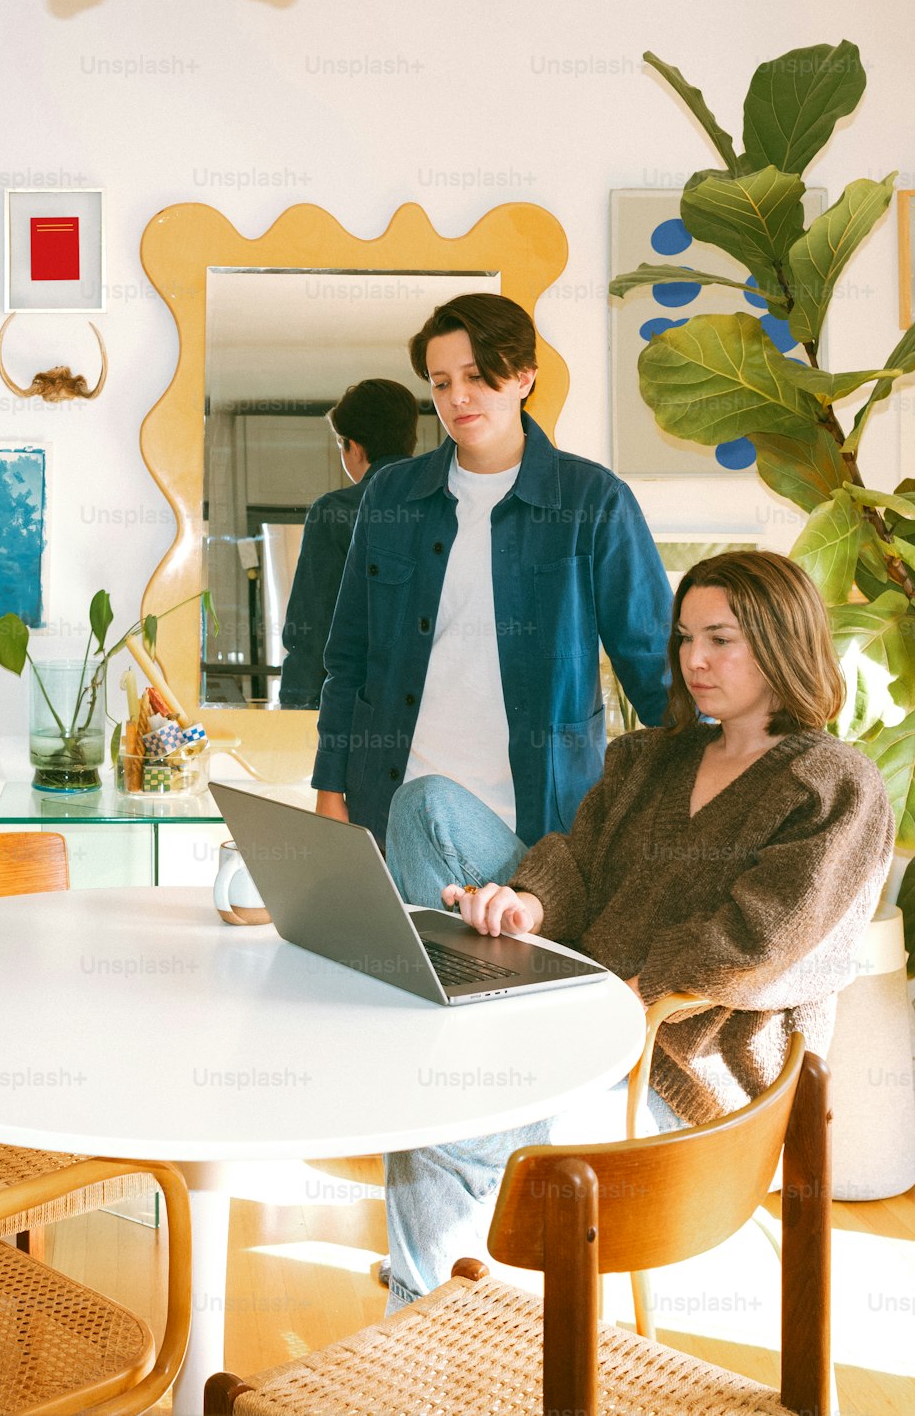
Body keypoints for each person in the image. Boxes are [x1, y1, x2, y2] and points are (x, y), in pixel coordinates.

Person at [381, 550, 894, 1311]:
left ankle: (421, 1329)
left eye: (720, 639)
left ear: (782, 640)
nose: (694, 660)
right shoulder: (650, 757)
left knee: (445, 1115)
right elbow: (580, 860)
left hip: (678, 1069)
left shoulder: (833, 782)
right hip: (581, 1001)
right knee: (426, 806)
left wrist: (628, 994)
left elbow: (762, 943)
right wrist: (529, 904)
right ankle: (460, 1018)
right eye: (685, 638)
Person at [311, 293, 674, 849]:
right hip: (390, 808)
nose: (457, 398)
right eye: (439, 382)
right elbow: (348, 658)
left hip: (541, 826)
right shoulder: (390, 495)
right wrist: (330, 790)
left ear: (525, 377)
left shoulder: (592, 500)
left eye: (476, 376)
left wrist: (731, 777)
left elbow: (655, 666)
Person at [279, 379, 419, 709]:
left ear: (353, 447)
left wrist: (294, 710)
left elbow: (312, 627)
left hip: (355, 709)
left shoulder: (335, 512)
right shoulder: (447, 507)